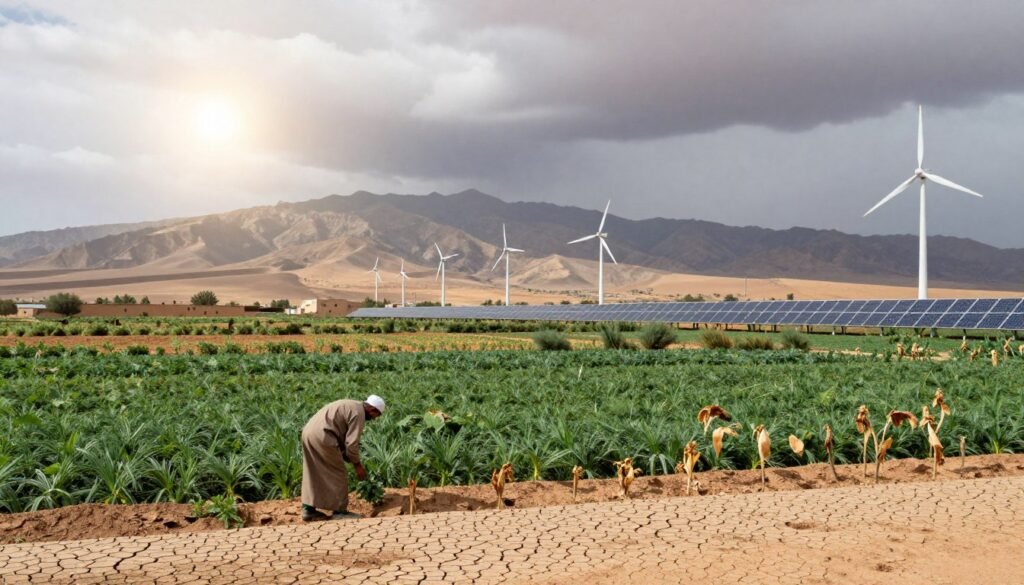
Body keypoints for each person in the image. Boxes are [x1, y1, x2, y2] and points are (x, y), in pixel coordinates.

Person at [300, 395, 385, 521]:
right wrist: (358, 466)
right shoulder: (359, 414)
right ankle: (339, 511)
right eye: (375, 416)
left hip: (308, 433)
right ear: (373, 410)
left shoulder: (351, 405)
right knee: (338, 473)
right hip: (324, 436)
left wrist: (346, 455)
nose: (373, 419)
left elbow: (341, 434)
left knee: (312, 471)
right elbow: (351, 443)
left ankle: (308, 510)